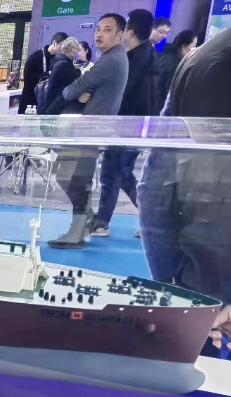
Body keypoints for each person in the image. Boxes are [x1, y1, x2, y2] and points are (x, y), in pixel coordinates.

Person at [138, 26, 231, 355]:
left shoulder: (196, 62)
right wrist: (170, 284)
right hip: (201, 285)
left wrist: (169, 284)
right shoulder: (199, 64)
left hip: (199, 284)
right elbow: (156, 186)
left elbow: (155, 186)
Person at [48, 14, 129, 249]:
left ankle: (79, 229)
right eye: (98, 29)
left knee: (73, 178)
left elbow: (71, 91)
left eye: (107, 30)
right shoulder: (114, 58)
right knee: (68, 175)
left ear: (120, 35)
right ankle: (84, 221)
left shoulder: (111, 61)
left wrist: (77, 92)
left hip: (91, 131)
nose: (99, 34)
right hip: (89, 129)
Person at [91, 9, 158, 237]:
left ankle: (101, 223)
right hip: (140, 126)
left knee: (111, 174)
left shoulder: (128, 62)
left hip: (124, 127)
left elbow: (122, 97)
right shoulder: (152, 57)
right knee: (124, 175)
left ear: (129, 32)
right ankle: (151, 219)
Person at [19, 32, 68, 114]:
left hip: (47, 102)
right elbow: (28, 79)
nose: (63, 49)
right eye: (62, 45)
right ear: (54, 43)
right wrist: (47, 75)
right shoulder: (36, 57)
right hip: (31, 100)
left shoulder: (60, 60)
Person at [156, 29, 197, 114]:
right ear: (184, 47)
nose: (195, 49)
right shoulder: (175, 66)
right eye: (193, 46)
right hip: (163, 109)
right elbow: (171, 95)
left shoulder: (166, 55)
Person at [42, 38, 83, 115]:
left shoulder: (57, 60)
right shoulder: (65, 65)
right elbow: (75, 84)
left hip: (52, 104)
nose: (78, 53)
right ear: (72, 50)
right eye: (78, 50)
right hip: (57, 108)